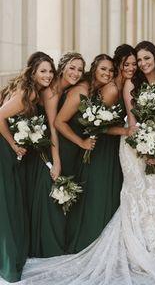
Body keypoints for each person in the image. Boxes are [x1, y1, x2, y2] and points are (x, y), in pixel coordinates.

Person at [0, 46, 155, 285]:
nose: (135, 66)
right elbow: (121, 123)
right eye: (129, 63)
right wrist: (138, 140)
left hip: (152, 145)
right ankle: (133, 244)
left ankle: (154, 244)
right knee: (132, 195)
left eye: (141, 60)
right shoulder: (119, 87)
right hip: (128, 146)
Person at [55, 53, 131, 253]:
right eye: (103, 69)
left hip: (81, 148)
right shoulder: (80, 91)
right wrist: (81, 142)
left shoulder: (95, 91)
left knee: (78, 194)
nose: (107, 73)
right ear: (95, 68)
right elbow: (59, 122)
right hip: (68, 145)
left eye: (111, 70)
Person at [0, 52, 55, 282]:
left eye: (51, 71)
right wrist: (13, 144)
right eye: (43, 71)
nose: (48, 75)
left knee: (11, 202)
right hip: (4, 148)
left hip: (12, 150)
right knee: (8, 203)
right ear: (33, 72)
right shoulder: (28, 92)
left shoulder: (35, 92)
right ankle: (9, 263)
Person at [28, 52, 85, 258]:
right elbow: (53, 128)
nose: (76, 73)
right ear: (62, 67)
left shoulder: (66, 89)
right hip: (44, 151)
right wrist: (56, 162)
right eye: (72, 67)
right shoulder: (51, 92)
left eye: (80, 69)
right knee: (48, 196)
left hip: (47, 145)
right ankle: (48, 248)